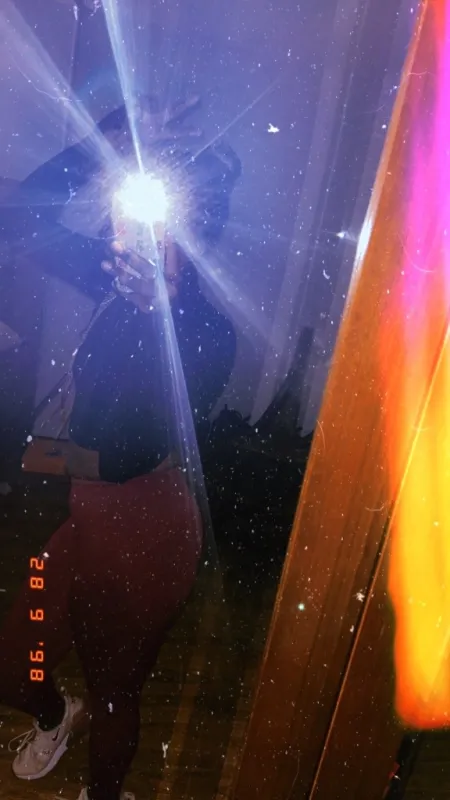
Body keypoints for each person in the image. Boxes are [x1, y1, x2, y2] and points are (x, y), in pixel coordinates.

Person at [0, 97, 239, 800]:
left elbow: (123, 453)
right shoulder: (113, 275)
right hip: (89, 522)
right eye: (124, 208)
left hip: (146, 535)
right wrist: (102, 137)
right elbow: (19, 218)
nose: (124, 228)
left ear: (190, 234)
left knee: (116, 689)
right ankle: (56, 714)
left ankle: (103, 793)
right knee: (14, 665)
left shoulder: (206, 332)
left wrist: (29, 459)